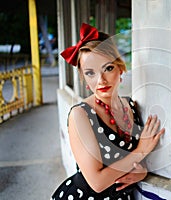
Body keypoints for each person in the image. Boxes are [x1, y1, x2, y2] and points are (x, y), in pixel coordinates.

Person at [51, 23, 165, 200]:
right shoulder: (80, 115)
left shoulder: (131, 106)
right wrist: (141, 151)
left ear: (120, 68)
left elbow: (131, 162)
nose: (101, 80)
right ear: (84, 78)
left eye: (108, 68)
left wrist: (142, 172)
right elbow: (97, 183)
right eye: (90, 73)